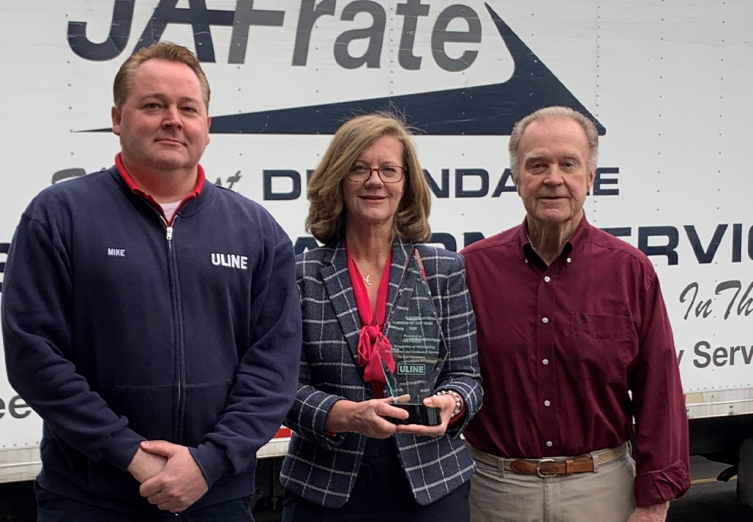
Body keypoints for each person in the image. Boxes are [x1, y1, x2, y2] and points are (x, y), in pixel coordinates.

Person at [1, 42, 302, 520]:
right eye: (153, 105)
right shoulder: (59, 216)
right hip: (90, 497)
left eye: (188, 108)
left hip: (216, 497)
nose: (173, 119)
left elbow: (274, 364)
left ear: (207, 126)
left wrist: (209, 462)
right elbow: (33, 353)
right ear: (118, 118)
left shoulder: (255, 230)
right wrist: (129, 454)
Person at [461, 106, 690, 522]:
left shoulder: (629, 271)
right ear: (516, 180)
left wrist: (655, 501)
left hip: (600, 492)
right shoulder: (471, 270)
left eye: (568, 163)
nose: (553, 178)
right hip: (496, 493)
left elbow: (659, 390)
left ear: (589, 178)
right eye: (537, 164)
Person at [280, 112, 482, 521]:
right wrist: (347, 416)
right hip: (326, 485)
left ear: (406, 184)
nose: (375, 181)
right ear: (338, 179)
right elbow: (282, 388)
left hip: (430, 483)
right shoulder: (299, 275)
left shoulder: (443, 270)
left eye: (389, 170)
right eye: (359, 169)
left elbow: (469, 377)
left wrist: (452, 403)